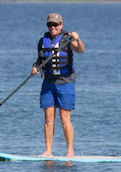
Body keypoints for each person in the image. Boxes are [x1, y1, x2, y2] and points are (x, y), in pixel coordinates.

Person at [29, 12, 85, 158]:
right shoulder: (42, 41)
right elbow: (40, 60)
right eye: (50, 25)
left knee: (65, 119)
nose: (52, 27)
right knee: (48, 119)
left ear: (61, 25)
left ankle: (70, 151)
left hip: (65, 83)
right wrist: (35, 68)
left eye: (55, 25)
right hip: (48, 83)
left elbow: (80, 50)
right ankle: (48, 150)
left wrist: (78, 39)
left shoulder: (68, 39)